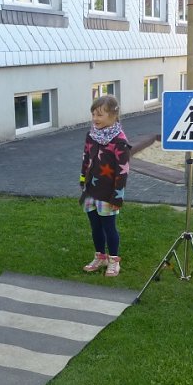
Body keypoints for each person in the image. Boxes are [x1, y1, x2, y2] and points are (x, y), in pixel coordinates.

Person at [79, 95, 131, 277]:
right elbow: (86, 158)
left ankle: (114, 260)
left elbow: (123, 171)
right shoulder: (91, 135)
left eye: (100, 115)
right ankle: (100, 256)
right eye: (93, 114)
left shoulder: (119, 141)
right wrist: (82, 179)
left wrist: (117, 196)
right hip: (91, 191)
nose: (95, 119)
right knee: (95, 226)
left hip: (108, 193)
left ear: (113, 115)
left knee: (109, 227)